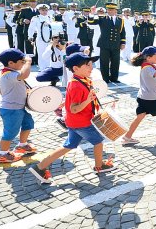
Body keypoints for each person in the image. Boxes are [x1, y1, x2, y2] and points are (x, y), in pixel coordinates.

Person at [29, 53, 114, 184]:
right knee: (98, 142)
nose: (91, 68)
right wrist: (87, 101)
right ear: (75, 69)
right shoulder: (76, 85)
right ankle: (99, 166)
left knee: (68, 146)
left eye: (91, 65)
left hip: (75, 122)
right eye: (87, 65)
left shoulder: (81, 81)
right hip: (82, 122)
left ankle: (40, 167)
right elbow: (74, 109)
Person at [0, 49, 35, 163]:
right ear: (11, 63)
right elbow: (24, 74)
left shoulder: (10, 74)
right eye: (22, 61)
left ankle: (22, 145)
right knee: (10, 132)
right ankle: (3, 154)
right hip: (11, 110)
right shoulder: (9, 74)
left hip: (18, 108)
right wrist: (28, 62)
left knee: (28, 124)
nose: (23, 63)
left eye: (24, 61)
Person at [88, 3, 126, 83]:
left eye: (111, 10)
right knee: (104, 62)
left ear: (115, 11)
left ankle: (114, 78)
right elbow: (91, 22)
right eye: (108, 9)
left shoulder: (120, 20)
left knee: (115, 62)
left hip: (116, 44)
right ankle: (105, 78)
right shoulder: (102, 18)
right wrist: (92, 13)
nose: (109, 11)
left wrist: (123, 43)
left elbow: (122, 32)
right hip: (105, 44)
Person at [27, 4, 56, 70]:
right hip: (40, 38)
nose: (44, 12)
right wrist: (30, 36)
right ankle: (42, 68)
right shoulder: (36, 18)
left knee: (49, 52)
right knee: (41, 53)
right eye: (43, 10)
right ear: (39, 10)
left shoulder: (50, 17)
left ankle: (49, 67)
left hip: (50, 38)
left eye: (46, 10)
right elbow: (31, 28)